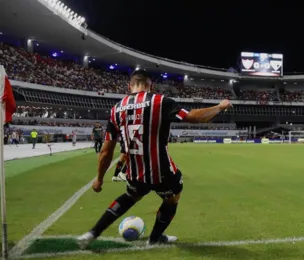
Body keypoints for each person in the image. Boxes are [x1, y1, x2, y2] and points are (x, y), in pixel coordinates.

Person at [77, 70, 232, 249]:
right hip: (161, 171)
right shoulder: (160, 102)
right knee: (172, 198)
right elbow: (194, 117)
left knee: (130, 196)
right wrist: (219, 107)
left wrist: (99, 178)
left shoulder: (116, 109)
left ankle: (92, 233)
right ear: (151, 86)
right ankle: (155, 238)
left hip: (135, 171)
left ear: (129, 86)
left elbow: (106, 150)